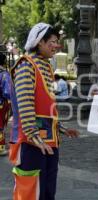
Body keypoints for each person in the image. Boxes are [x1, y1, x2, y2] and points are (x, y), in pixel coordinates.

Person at [9, 22, 79, 200]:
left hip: (48, 142)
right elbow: (25, 103)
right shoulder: (26, 65)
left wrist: (61, 128)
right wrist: (34, 135)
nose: (56, 45)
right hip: (30, 143)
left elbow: (46, 107)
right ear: (40, 41)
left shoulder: (45, 66)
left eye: (57, 41)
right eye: (53, 41)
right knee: (32, 192)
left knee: (47, 191)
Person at [0, 53, 11, 156]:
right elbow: (7, 92)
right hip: (1, 104)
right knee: (0, 125)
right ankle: (0, 148)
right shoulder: (4, 74)